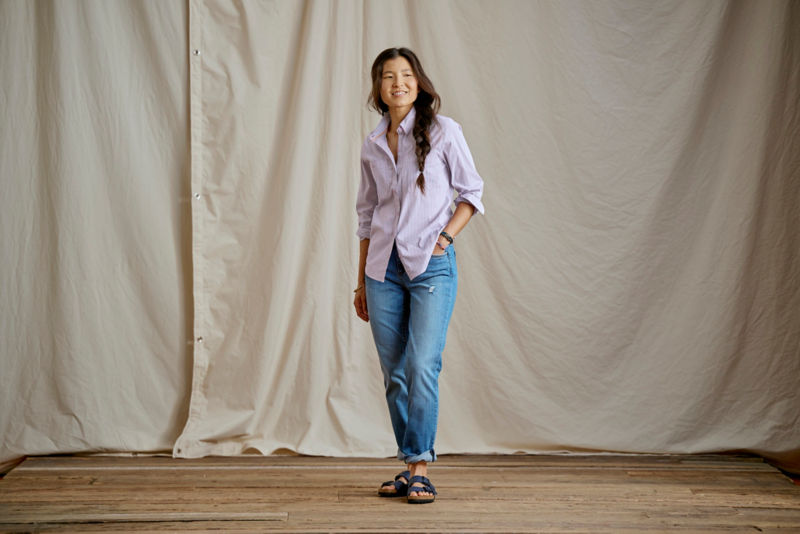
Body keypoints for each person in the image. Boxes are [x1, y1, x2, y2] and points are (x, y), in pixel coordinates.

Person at [353, 47, 485, 504]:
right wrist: (361, 280)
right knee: (394, 372)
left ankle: (420, 468)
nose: (398, 83)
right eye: (388, 76)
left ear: (419, 81)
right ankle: (410, 463)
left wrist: (443, 240)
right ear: (378, 88)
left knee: (422, 364)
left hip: (431, 266)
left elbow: (472, 192)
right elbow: (367, 216)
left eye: (406, 74)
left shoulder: (445, 131)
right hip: (381, 270)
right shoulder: (373, 143)